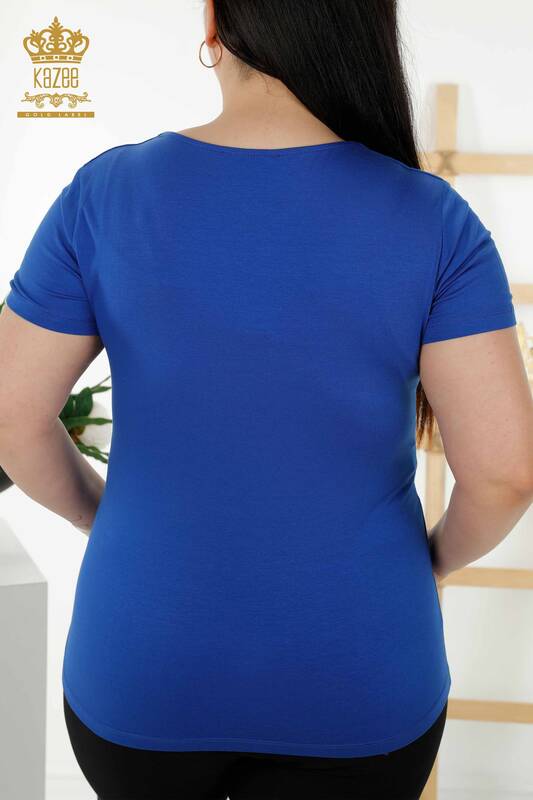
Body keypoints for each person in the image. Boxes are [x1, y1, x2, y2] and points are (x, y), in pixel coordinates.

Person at [1, 1, 532, 798]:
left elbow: (10, 416)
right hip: (360, 674)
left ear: (213, 26)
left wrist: (99, 518)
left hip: (142, 665)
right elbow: (505, 475)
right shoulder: (433, 219)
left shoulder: (105, 195)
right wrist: (427, 563)